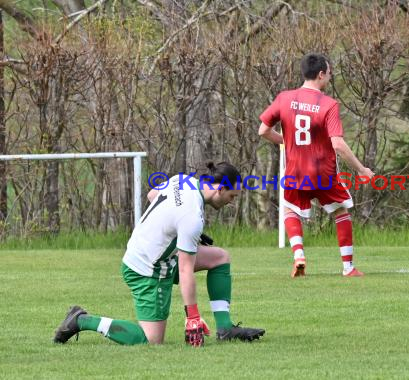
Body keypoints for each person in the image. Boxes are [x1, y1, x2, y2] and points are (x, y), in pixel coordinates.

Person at [53, 162, 265, 347]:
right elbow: (185, 269)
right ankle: (82, 320)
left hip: (150, 254)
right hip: (148, 269)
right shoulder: (192, 218)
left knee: (219, 258)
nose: (232, 202)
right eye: (231, 196)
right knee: (151, 340)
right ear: (220, 188)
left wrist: (177, 227)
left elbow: (152, 195)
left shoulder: (183, 180)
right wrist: (192, 318)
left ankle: (225, 329)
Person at [258, 52, 374, 278]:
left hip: (295, 171)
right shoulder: (328, 104)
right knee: (341, 211)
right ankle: (348, 268)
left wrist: (286, 141)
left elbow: (263, 130)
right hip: (323, 172)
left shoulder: (284, 98)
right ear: (321, 74)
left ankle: (299, 256)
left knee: (290, 210)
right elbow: (338, 144)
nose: (329, 78)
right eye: (329, 74)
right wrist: (361, 170)